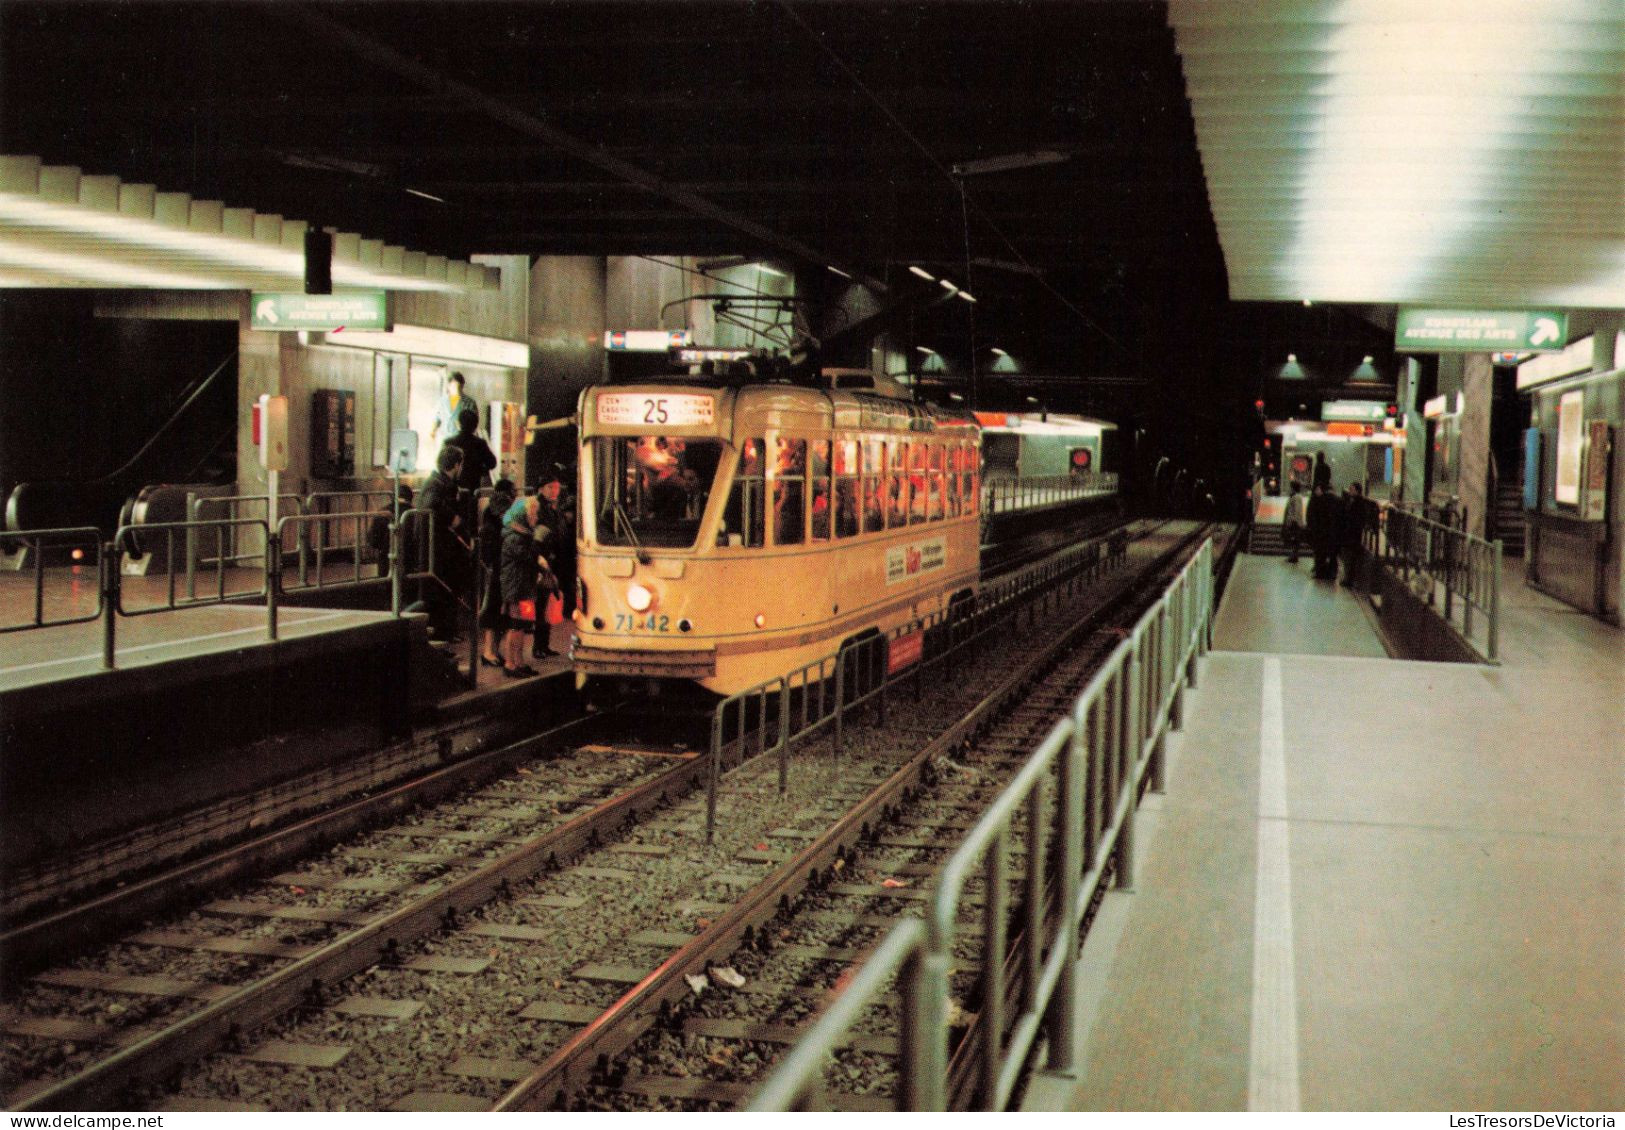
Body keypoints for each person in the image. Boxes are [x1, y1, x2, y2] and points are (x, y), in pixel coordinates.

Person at [416, 445, 468, 640]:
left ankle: (446, 631)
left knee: (446, 589)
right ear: (456, 465)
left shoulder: (437, 482)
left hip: (440, 547)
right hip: (437, 548)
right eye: (460, 464)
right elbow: (432, 505)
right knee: (440, 590)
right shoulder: (436, 484)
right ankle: (441, 632)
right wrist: (452, 518)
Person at [499, 494, 543, 677]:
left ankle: (519, 661)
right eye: (533, 515)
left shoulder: (522, 535)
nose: (536, 518)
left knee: (523, 624)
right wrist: (539, 543)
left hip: (524, 586)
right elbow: (527, 557)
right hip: (517, 587)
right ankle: (510, 663)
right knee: (516, 624)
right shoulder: (515, 537)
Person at [532, 470, 573, 658]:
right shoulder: (539, 508)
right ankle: (538, 646)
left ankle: (543, 644)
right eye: (550, 487)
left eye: (556, 487)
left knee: (547, 603)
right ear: (541, 488)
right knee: (541, 603)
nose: (554, 491)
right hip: (545, 561)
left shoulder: (552, 508)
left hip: (554, 560)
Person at [477, 478, 516, 668]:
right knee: (495, 608)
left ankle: (491, 651)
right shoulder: (500, 512)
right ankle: (488, 652)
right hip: (499, 567)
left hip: (499, 565)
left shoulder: (490, 513)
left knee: (498, 609)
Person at [429, 371, 479, 447]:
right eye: (453, 386)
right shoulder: (442, 402)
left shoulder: (470, 403)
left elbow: (474, 423)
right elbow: (437, 418)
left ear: (462, 386)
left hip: (462, 441)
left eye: (459, 387)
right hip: (445, 439)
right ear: (448, 386)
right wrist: (433, 432)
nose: (456, 390)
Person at [1306, 480, 1338, 581]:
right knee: (1329, 554)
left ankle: (1321, 571)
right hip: (1329, 532)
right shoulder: (1336, 500)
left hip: (1321, 531)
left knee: (1320, 553)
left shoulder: (1320, 501)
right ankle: (1328, 572)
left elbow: (1314, 516)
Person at [1338, 482, 1367, 587]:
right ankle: (1348, 578)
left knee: (1350, 558)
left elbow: (1357, 520)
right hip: (1351, 534)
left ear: (1357, 491)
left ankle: (1349, 579)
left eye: (1352, 489)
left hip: (1353, 535)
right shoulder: (1352, 501)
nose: (1350, 491)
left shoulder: (1358, 503)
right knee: (1348, 557)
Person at [1282, 481, 1308, 564]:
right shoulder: (1294, 496)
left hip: (1295, 522)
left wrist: (1294, 521)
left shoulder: (1297, 497)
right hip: (1293, 521)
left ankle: (1294, 556)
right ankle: (1293, 555)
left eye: (1291, 487)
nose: (1290, 489)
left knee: (1295, 539)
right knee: (1293, 540)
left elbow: (1297, 511)